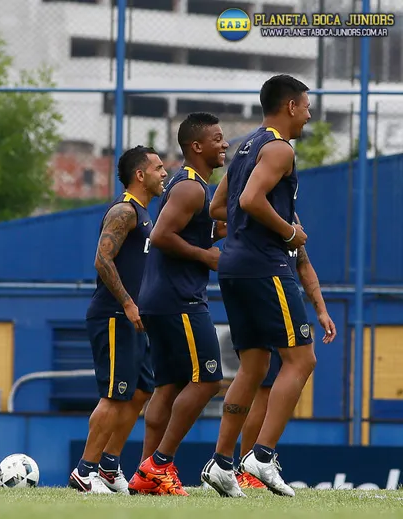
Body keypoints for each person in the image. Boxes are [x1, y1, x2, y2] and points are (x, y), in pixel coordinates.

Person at [200, 74, 316, 498]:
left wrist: (247, 232)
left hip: (233, 265)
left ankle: (222, 462)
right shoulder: (280, 148)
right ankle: (262, 455)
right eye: (305, 106)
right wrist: (287, 232)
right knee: (301, 360)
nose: (308, 113)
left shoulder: (246, 145)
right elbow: (249, 201)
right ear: (289, 107)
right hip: (265, 266)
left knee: (252, 366)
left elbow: (218, 206)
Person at [128, 113, 228, 496]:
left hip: (161, 298)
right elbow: (163, 234)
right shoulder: (191, 188)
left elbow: (200, 228)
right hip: (179, 299)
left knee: (168, 385)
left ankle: (146, 473)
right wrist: (207, 257)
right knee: (208, 380)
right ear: (196, 147)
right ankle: (160, 465)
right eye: (218, 139)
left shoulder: (196, 187)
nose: (224, 145)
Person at [69, 146, 167, 494]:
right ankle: (85, 471)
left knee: (141, 392)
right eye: (158, 168)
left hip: (134, 319)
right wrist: (127, 303)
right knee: (114, 395)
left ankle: (109, 468)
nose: (164, 173)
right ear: (140, 175)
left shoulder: (144, 214)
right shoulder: (124, 211)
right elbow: (102, 260)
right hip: (113, 315)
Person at [233, 217, 336, 489]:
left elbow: (303, 263)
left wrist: (322, 310)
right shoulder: (255, 205)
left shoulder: (288, 214)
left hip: (279, 295)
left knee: (266, 384)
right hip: (265, 294)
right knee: (263, 385)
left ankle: (247, 466)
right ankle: (248, 465)